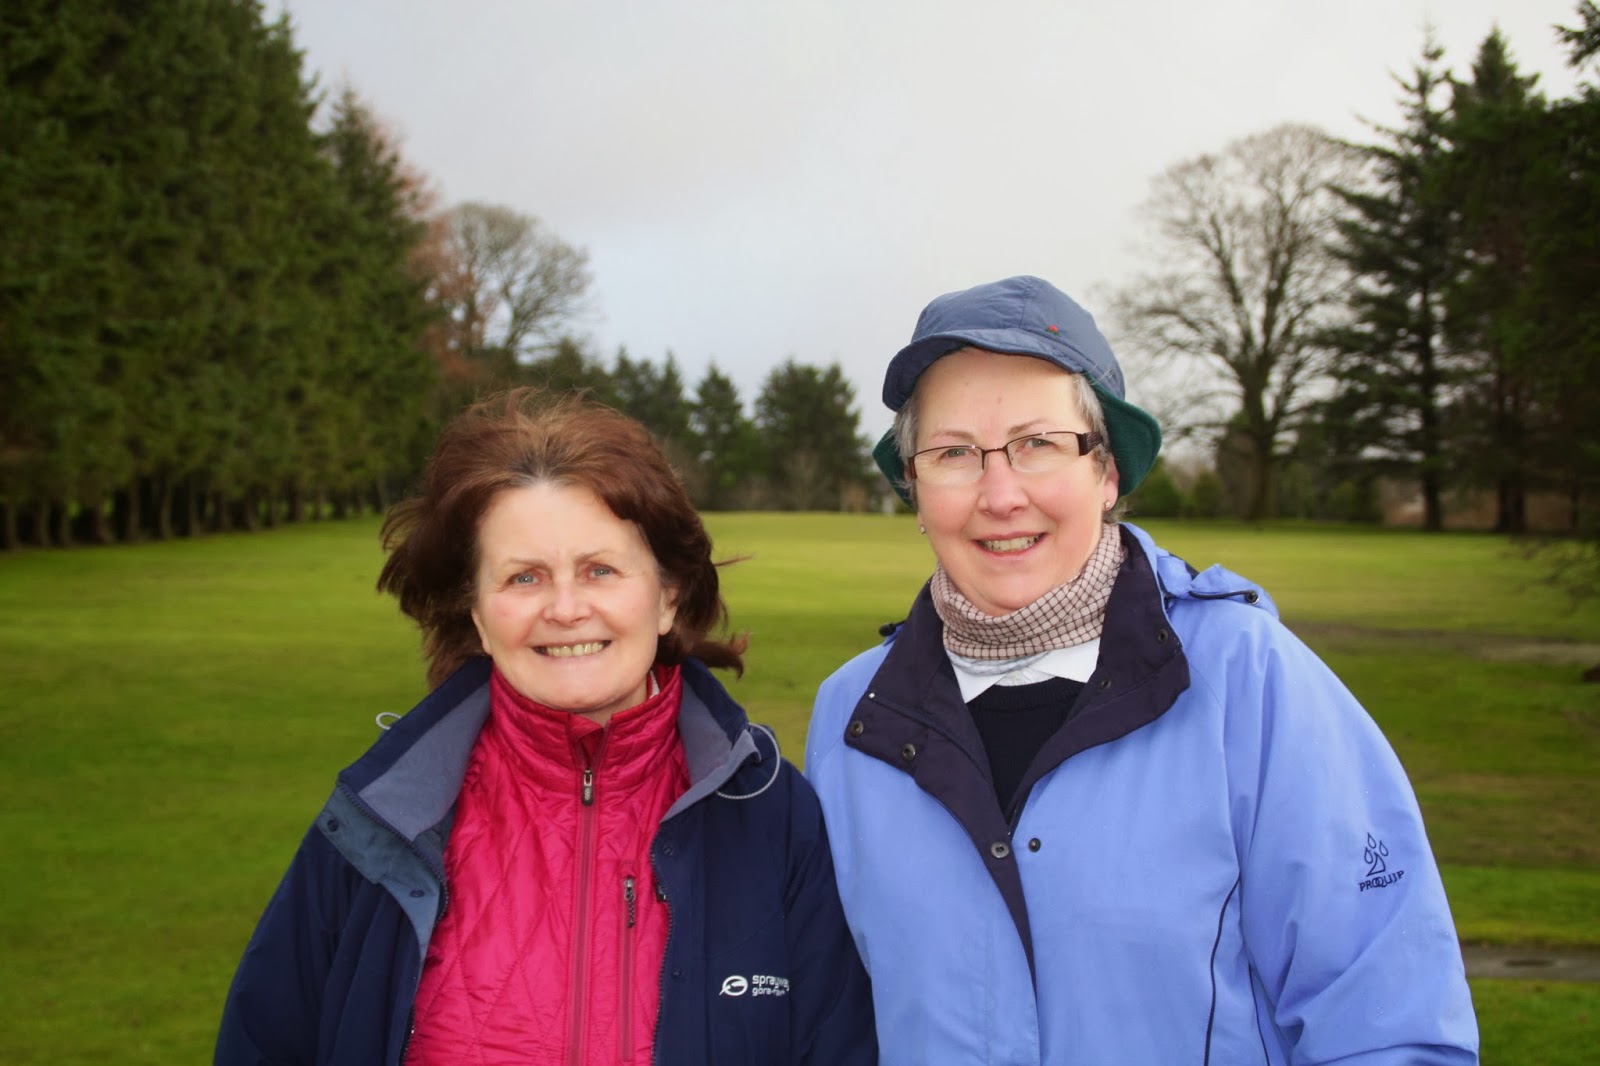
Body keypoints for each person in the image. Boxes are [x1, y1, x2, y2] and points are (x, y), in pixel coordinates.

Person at [804, 276, 1478, 1065]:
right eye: (953, 454)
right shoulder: (853, 714)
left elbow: (1387, 1024)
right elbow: (830, 1024)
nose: (1000, 494)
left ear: (1108, 472)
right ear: (914, 491)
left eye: (1038, 445)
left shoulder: (1247, 679)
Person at [217, 389, 875, 1066]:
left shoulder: (775, 816)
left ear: (668, 595)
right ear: (475, 610)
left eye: (600, 570)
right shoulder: (381, 821)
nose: (566, 608)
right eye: (525, 577)